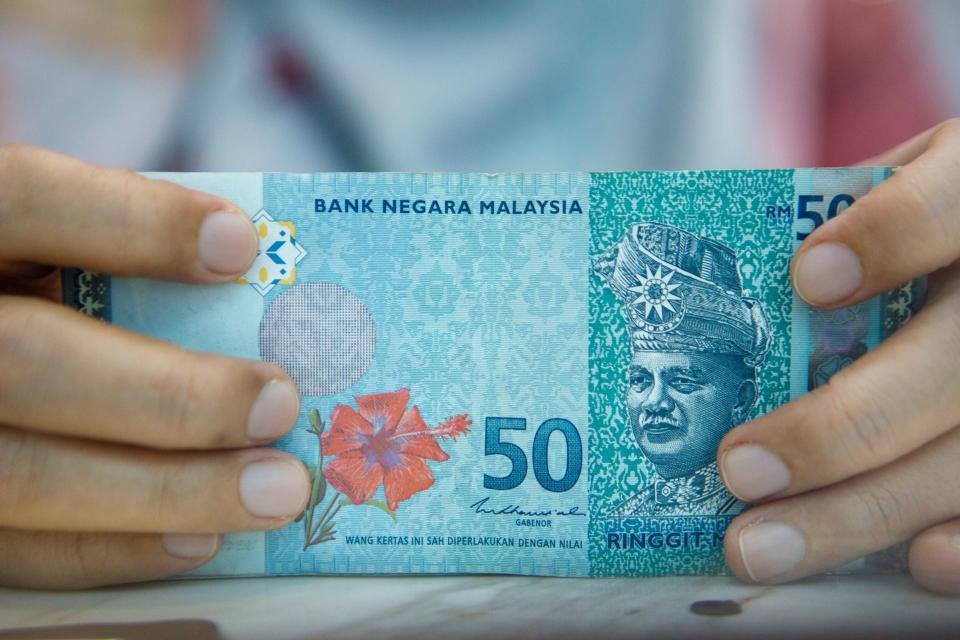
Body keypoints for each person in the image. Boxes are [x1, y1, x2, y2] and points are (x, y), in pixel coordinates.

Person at [2, 2, 960, 596]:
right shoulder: (56, 45)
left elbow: (903, 239)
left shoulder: (829, 24)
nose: (653, 400)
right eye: (644, 371)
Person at [596, 223, 770, 517]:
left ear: (741, 399)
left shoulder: (765, 510)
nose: (654, 402)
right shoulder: (626, 516)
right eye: (640, 380)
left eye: (682, 381)